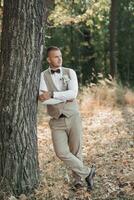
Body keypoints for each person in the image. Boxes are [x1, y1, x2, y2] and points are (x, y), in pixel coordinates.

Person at [38, 46, 95, 190]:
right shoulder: (42, 76)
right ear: (48, 59)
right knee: (61, 152)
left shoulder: (70, 72)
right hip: (56, 120)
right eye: (56, 56)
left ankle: (78, 181)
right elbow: (44, 100)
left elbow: (73, 94)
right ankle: (88, 172)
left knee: (76, 150)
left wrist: (53, 94)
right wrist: (63, 96)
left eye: (60, 56)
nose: (59, 59)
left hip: (73, 116)